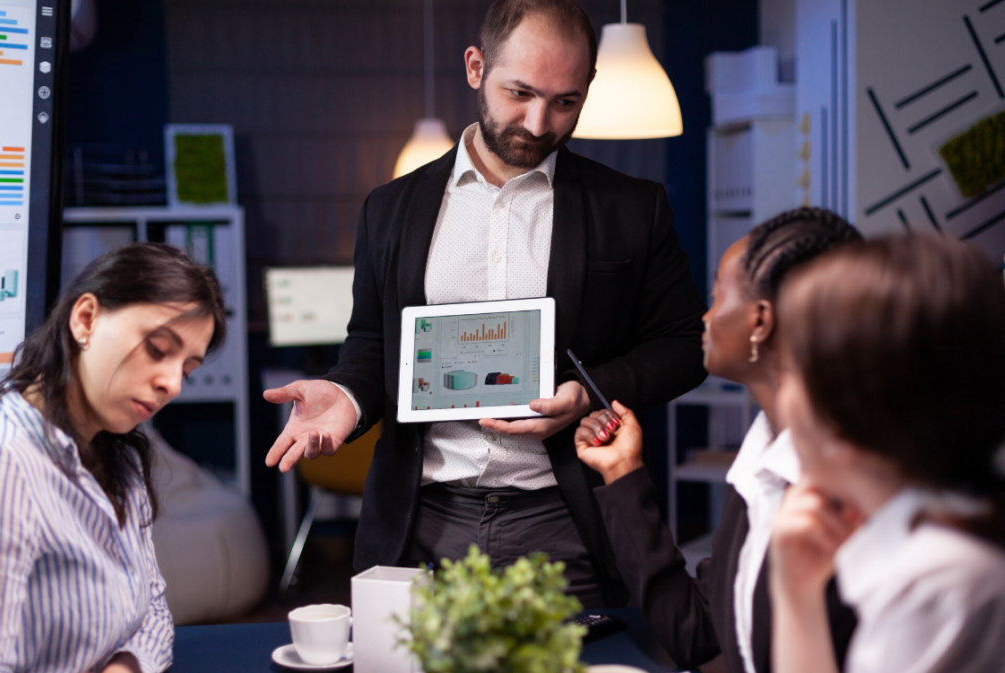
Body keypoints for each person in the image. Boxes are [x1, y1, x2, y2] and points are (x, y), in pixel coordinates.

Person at [264, 0, 706, 606]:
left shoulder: (632, 208)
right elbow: (372, 342)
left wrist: (587, 393)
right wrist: (347, 395)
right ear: (476, 67)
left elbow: (686, 346)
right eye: (519, 93)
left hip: (567, 521)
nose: (539, 122)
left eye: (566, 101)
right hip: (421, 520)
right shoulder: (389, 209)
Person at [574, 208, 861, 672]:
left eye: (718, 296)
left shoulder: (846, 487)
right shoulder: (760, 459)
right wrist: (622, 472)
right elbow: (697, 633)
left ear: (760, 320)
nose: (706, 317)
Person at [0, 244, 226, 673]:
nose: (172, 385)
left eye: (186, 370)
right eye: (157, 349)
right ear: (85, 318)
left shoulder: (121, 454)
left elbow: (153, 609)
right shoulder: (3, 461)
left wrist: (124, 667)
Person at [770, 235, 1005, 673]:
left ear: (844, 417)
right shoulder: (951, 546)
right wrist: (797, 595)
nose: (779, 392)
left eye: (789, 371)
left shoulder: (936, 584)